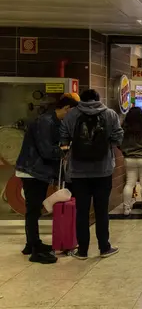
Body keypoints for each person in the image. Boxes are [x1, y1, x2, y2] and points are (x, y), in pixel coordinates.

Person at [60, 89, 123, 260]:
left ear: (81, 99)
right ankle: (104, 247)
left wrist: (69, 151)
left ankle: (82, 251)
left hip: (78, 171)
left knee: (82, 211)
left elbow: (63, 137)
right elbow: (118, 137)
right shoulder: (110, 114)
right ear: (98, 99)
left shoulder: (72, 114)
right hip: (103, 170)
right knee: (102, 210)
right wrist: (106, 147)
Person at [15, 95, 79, 264]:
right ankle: (35, 251)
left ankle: (32, 244)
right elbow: (46, 150)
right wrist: (65, 149)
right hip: (32, 171)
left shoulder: (52, 121)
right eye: (72, 113)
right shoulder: (45, 122)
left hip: (37, 171)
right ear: (67, 108)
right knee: (33, 210)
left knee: (34, 209)